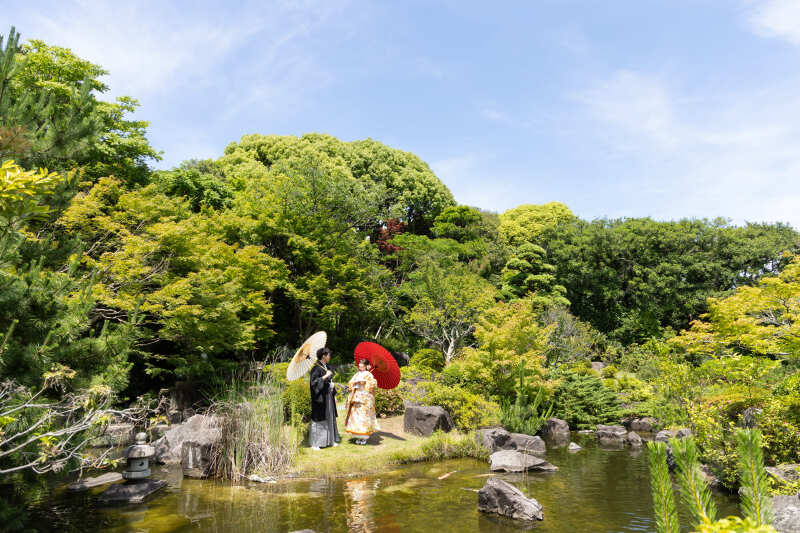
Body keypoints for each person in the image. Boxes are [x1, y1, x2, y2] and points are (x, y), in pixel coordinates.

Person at [309, 347, 340, 450]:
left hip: (329, 396)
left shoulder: (326, 367)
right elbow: (313, 383)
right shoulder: (316, 368)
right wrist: (324, 376)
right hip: (320, 398)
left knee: (330, 416)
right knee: (320, 418)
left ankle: (330, 440)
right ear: (324, 356)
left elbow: (330, 382)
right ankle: (316, 443)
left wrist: (334, 393)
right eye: (328, 355)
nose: (330, 356)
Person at [345, 358, 378, 445]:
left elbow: (373, 385)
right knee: (356, 417)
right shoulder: (357, 374)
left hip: (365, 398)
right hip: (356, 397)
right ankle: (358, 436)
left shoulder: (369, 374)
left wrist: (365, 383)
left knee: (364, 417)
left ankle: (364, 438)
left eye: (362, 365)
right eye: (359, 365)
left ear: (366, 366)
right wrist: (354, 383)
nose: (360, 367)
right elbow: (350, 383)